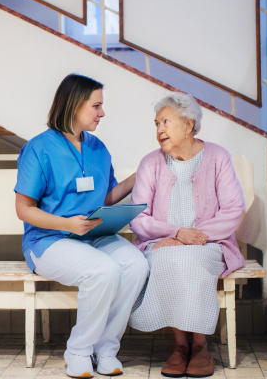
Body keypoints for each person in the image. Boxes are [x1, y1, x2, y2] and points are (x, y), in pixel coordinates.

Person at [14, 74, 149, 378]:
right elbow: (24, 209)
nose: (102, 113)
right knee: (104, 270)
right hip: (48, 241)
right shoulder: (39, 149)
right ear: (74, 105)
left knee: (136, 265)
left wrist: (139, 176)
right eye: (96, 106)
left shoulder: (98, 148)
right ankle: (78, 351)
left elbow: (106, 196)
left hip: (93, 235)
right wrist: (66, 223)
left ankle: (106, 350)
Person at [128, 92, 245, 378]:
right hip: (162, 242)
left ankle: (200, 346)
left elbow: (233, 209)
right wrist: (176, 233)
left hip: (209, 241)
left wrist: (195, 235)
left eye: (165, 122)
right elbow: (138, 216)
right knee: (167, 259)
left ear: (189, 125)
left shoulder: (217, 156)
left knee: (191, 260)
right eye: (156, 124)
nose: (159, 130)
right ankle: (180, 347)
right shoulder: (150, 163)